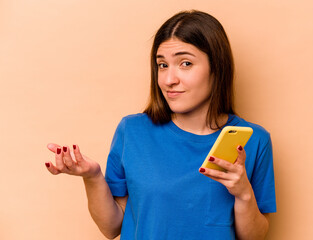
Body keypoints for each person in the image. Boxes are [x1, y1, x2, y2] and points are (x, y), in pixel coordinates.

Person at [45, 10, 276, 240]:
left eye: (185, 63)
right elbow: (111, 227)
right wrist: (93, 177)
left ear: (217, 68)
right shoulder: (132, 131)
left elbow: (253, 237)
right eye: (162, 65)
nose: (168, 80)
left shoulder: (253, 140)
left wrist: (243, 193)